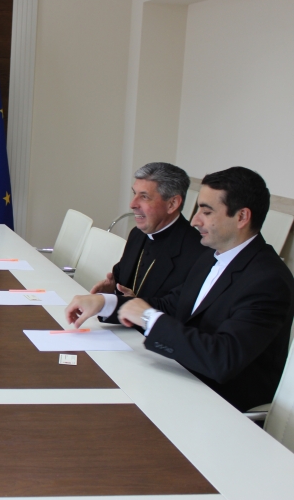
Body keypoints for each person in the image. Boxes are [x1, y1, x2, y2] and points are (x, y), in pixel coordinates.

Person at [66, 167, 294, 411]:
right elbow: (171, 305)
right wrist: (105, 302)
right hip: (179, 378)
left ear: (241, 217)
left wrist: (148, 317)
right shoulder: (211, 256)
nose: (194, 220)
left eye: (206, 211)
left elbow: (223, 358)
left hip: (219, 406)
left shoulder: (269, 280)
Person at [90, 162, 208, 300]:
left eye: (144, 196)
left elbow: (181, 307)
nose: (132, 204)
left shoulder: (198, 252)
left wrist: (137, 306)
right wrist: (113, 287)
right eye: (134, 193)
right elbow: (120, 274)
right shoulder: (137, 234)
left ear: (172, 204)